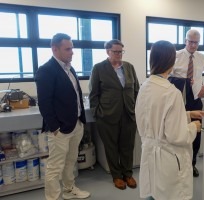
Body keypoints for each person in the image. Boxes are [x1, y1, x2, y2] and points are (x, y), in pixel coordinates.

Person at [135, 40, 204, 200]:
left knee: (153, 194)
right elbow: (177, 136)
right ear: (172, 61)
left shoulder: (145, 86)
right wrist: (192, 126)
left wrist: (187, 114)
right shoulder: (171, 92)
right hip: (169, 158)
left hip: (149, 153)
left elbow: (153, 117)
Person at [35, 33, 90, 200]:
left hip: (76, 124)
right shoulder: (46, 70)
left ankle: (68, 190)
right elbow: (44, 103)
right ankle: (53, 197)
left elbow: (75, 96)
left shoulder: (69, 68)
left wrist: (81, 121)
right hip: (60, 129)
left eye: (72, 48)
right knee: (55, 166)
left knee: (71, 161)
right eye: (68, 49)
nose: (72, 52)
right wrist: (55, 128)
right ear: (54, 49)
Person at [89, 39, 139, 190]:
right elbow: (93, 94)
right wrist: (97, 113)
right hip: (107, 115)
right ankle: (116, 176)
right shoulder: (98, 68)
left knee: (128, 146)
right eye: (115, 51)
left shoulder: (129, 67)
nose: (119, 54)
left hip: (128, 113)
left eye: (121, 51)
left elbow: (136, 89)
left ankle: (128, 174)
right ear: (107, 52)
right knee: (111, 147)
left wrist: (136, 109)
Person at [169, 29, 204, 177]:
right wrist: (183, 82)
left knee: (196, 132)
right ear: (185, 41)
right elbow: (167, 76)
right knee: (178, 132)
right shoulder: (176, 56)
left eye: (196, 42)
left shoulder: (201, 57)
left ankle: (192, 164)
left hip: (195, 100)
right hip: (179, 100)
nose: (193, 45)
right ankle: (177, 164)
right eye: (191, 42)